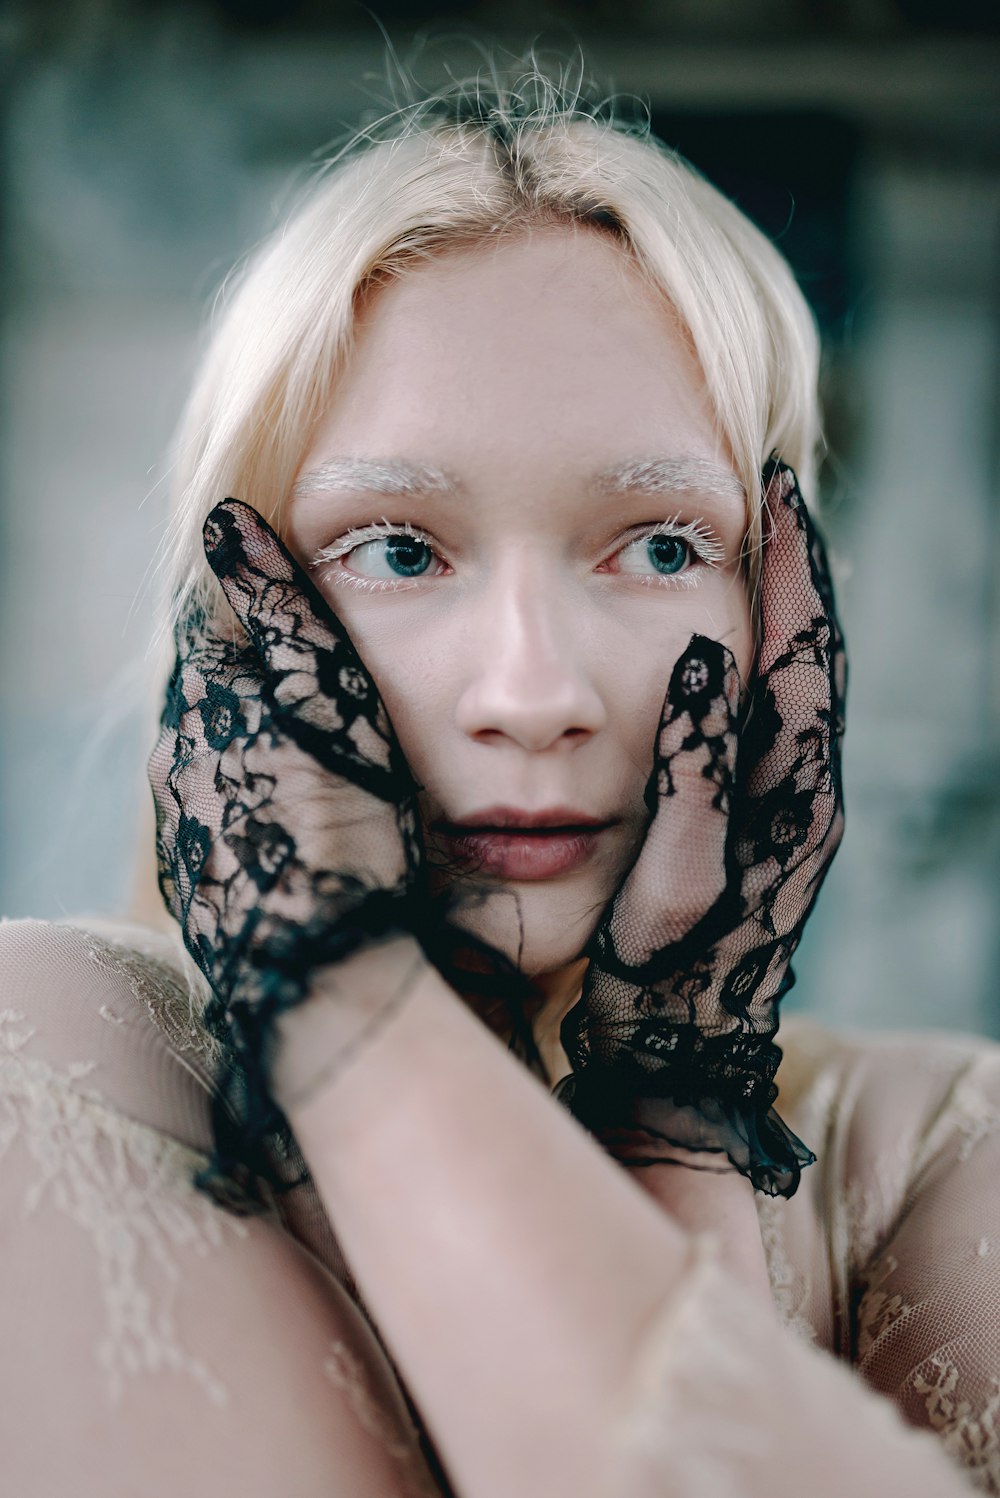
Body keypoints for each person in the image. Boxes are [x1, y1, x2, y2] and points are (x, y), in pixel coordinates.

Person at [2, 56, 997, 1498]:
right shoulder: (52, 1055)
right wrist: (341, 1005)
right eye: (400, 550)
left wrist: (678, 1122)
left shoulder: (939, 1150)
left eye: (661, 544)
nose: (532, 695)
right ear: (233, 620)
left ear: (785, 608)